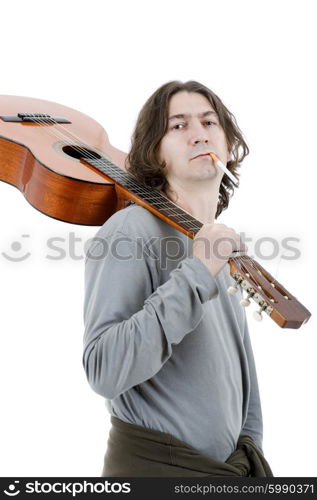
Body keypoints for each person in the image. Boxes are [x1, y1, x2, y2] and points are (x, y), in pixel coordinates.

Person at [82, 80, 273, 477]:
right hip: (156, 471)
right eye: (179, 126)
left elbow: (240, 375)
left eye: (209, 122)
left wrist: (249, 445)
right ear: (155, 151)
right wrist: (198, 271)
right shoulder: (129, 230)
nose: (199, 134)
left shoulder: (217, 245)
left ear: (228, 145)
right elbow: (104, 369)